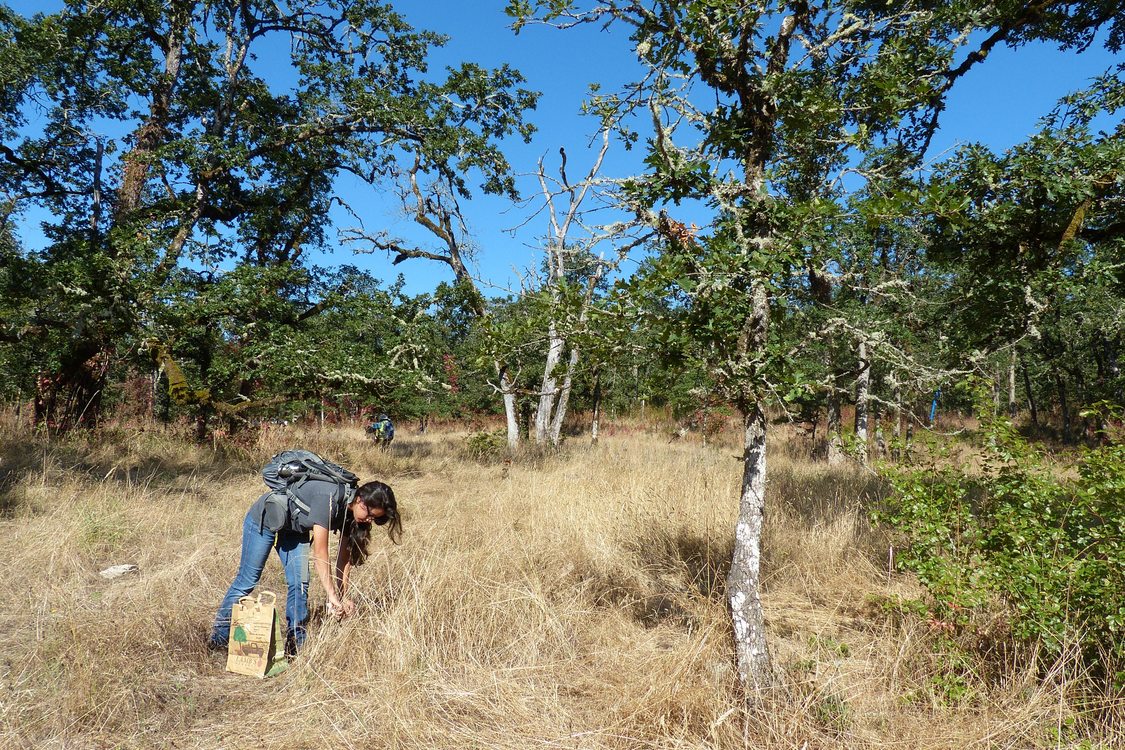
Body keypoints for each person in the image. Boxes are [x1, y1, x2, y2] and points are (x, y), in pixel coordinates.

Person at [208, 475, 402, 655]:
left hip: (294, 528)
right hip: (266, 518)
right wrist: (332, 596)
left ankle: (295, 647)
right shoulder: (328, 498)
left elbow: (343, 561)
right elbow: (320, 553)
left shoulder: (354, 515)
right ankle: (218, 640)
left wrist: (342, 598)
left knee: (299, 584)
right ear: (360, 499)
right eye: (370, 514)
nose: (370, 520)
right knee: (247, 580)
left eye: (375, 519)